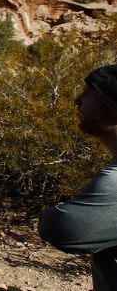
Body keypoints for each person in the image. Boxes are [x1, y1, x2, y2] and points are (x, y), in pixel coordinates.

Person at [39, 64, 117, 290]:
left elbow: (60, 228)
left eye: (88, 93)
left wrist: (50, 212)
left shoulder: (113, 185)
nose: (77, 100)